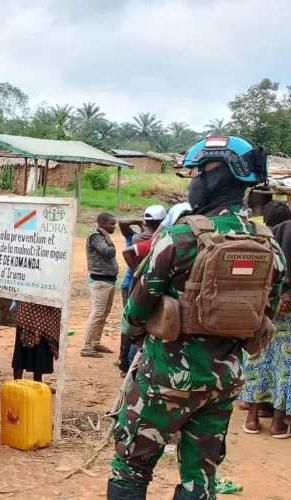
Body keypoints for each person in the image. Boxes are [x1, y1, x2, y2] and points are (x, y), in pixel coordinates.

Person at [108, 136, 286, 500]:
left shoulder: (179, 236)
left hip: (164, 378)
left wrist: (140, 334)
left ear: (218, 176)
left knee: (131, 468)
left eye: (198, 172)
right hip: (223, 382)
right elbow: (266, 312)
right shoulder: (268, 244)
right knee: (200, 478)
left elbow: (135, 310)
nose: (193, 181)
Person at [241, 202, 291, 438]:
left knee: (258, 357)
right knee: (285, 366)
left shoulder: (262, 238)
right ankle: (278, 425)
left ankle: (253, 416)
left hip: (264, 306)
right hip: (289, 315)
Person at [117, 206, 167, 374]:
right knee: (141, 326)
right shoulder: (159, 240)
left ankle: (124, 362)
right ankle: (130, 364)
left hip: (132, 283)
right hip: (143, 286)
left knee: (131, 324)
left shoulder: (137, 237)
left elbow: (123, 224)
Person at [81, 212, 118, 358]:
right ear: (102, 224)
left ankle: (96, 342)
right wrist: (106, 235)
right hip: (100, 282)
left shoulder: (100, 238)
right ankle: (86, 347)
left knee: (103, 314)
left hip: (108, 281)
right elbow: (110, 252)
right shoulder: (95, 237)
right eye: (111, 224)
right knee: (97, 314)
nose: (114, 227)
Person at [11, 301, 60, 388]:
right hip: (28, 309)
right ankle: (17, 383)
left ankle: (38, 382)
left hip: (47, 311)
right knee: (21, 348)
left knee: (41, 348)